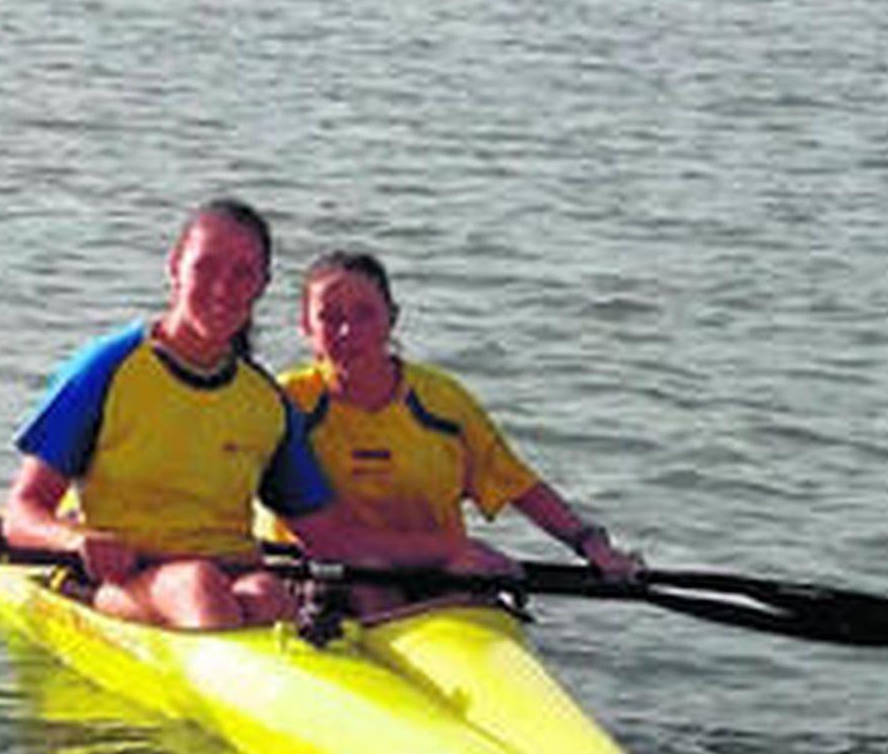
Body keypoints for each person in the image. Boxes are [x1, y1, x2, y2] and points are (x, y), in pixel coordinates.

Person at [3, 199, 355, 630]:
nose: (223, 288)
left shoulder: (266, 401)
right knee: (198, 587)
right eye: (206, 267)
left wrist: (444, 552)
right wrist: (75, 538)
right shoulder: (107, 367)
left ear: (262, 285)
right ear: (175, 267)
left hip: (234, 577)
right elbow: (21, 512)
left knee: (268, 597)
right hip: (125, 581)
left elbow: (331, 537)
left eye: (242, 273)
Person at [267, 249, 642, 610]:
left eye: (365, 314)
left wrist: (590, 544)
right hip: (318, 574)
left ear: (392, 317)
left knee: (473, 569)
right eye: (329, 317)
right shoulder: (284, 403)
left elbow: (519, 485)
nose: (348, 331)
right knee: (372, 577)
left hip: (426, 569)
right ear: (306, 327)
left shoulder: (441, 401)